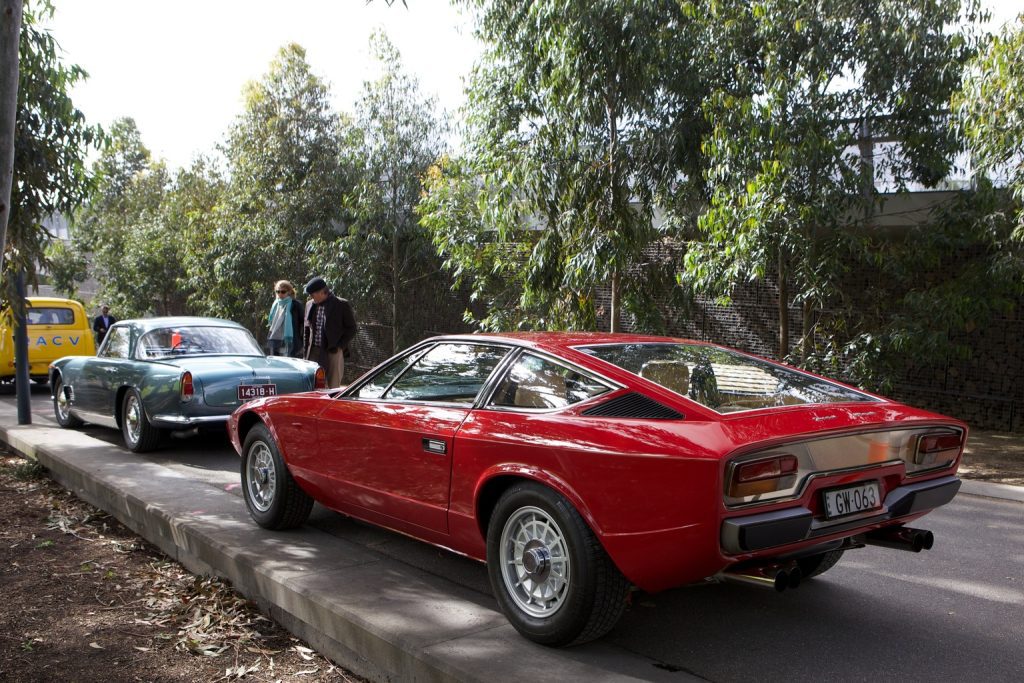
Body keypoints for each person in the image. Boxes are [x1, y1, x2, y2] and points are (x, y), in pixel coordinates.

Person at [303, 277, 357, 388]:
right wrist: (305, 351)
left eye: (312, 295)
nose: (311, 297)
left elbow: (351, 328)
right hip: (313, 351)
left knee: (333, 385)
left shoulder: (341, 304)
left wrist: (340, 346)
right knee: (312, 384)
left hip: (333, 351)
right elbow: (307, 329)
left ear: (322, 292)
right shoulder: (309, 305)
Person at [266, 280, 303, 357]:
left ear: (289, 292)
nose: (280, 294)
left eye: (283, 292)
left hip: (291, 341)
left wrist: (301, 342)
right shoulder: (275, 305)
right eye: (277, 291)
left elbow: (303, 323)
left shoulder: (296, 305)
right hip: (276, 341)